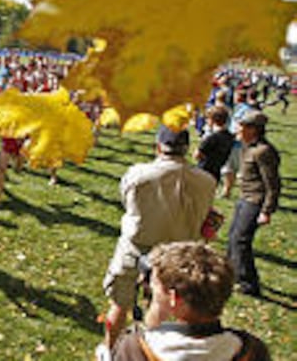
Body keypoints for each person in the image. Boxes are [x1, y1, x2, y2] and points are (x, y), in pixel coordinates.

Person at [102, 125, 216, 347]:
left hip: (136, 248)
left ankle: (110, 350)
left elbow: (127, 202)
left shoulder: (138, 174)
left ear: (158, 147)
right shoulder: (206, 181)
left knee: (119, 305)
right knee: (160, 307)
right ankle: (149, 353)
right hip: (179, 255)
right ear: (186, 148)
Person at [106, 241, 271, 360]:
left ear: (173, 298)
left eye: (155, 285)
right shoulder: (250, 350)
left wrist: (155, 312)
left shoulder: (136, 348)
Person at [227, 110, 280, 297]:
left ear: (254, 129)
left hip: (255, 201)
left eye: (243, 126)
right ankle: (231, 274)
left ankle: (249, 284)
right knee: (233, 237)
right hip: (244, 198)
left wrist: (267, 210)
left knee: (241, 241)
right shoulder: (247, 146)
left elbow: (272, 184)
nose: (239, 129)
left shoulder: (263, 151)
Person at [193, 105, 234, 184]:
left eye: (207, 119)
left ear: (212, 120)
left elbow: (196, 155)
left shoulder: (211, 138)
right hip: (217, 171)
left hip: (204, 171)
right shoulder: (230, 136)